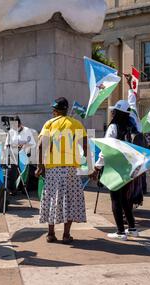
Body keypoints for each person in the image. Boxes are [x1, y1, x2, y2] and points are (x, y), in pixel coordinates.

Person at [35, 97, 90, 244]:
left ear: (56, 110)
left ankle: (51, 234)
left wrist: (40, 166)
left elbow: (41, 146)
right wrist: (87, 165)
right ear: (66, 110)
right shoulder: (76, 124)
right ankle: (66, 235)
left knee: (52, 199)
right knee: (71, 201)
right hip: (71, 170)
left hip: (53, 170)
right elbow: (85, 146)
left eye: (54, 109)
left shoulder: (49, 124)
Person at [91, 100, 142, 241]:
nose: (112, 112)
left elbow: (107, 148)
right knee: (125, 199)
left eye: (114, 110)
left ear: (117, 113)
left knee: (115, 199)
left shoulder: (114, 127)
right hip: (130, 167)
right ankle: (132, 228)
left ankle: (120, 232)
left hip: (116, 167)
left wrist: (97, 166)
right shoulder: (133, 126)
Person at [6, 116, 36, 195]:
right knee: (11, 173)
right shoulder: (10, 132)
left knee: (24, 173)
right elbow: (6, 144)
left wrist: (24, 145)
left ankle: (24, 189)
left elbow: (32, 143)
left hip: (24, 154)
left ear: (19, 123)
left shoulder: (27, 130)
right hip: (13, 154)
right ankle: (12, 190)